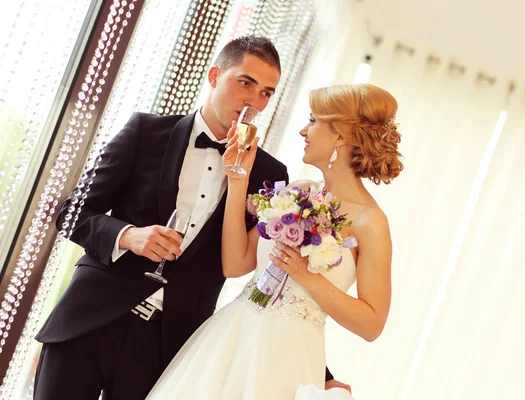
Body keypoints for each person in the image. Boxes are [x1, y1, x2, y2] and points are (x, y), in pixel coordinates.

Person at [33, 36, 346, 400]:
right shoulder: (145, 132)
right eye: (245, 83)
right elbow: (70, 213)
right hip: (88, 322)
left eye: (266, 93)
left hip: (169, 351)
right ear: (214, 75)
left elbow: (271, 275)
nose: (253, 101)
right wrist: (128, 236)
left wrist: (320, 373)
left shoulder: (269, 174)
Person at [145, 83, 403, 399]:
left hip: (287, 359)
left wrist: (306, 276)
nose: (302, 130)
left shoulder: (370, 222)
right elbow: (235, 263)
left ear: (341, 135)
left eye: (312, 120)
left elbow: (372, 324)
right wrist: (238, 181)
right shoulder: (298, 190)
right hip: (230, 339)